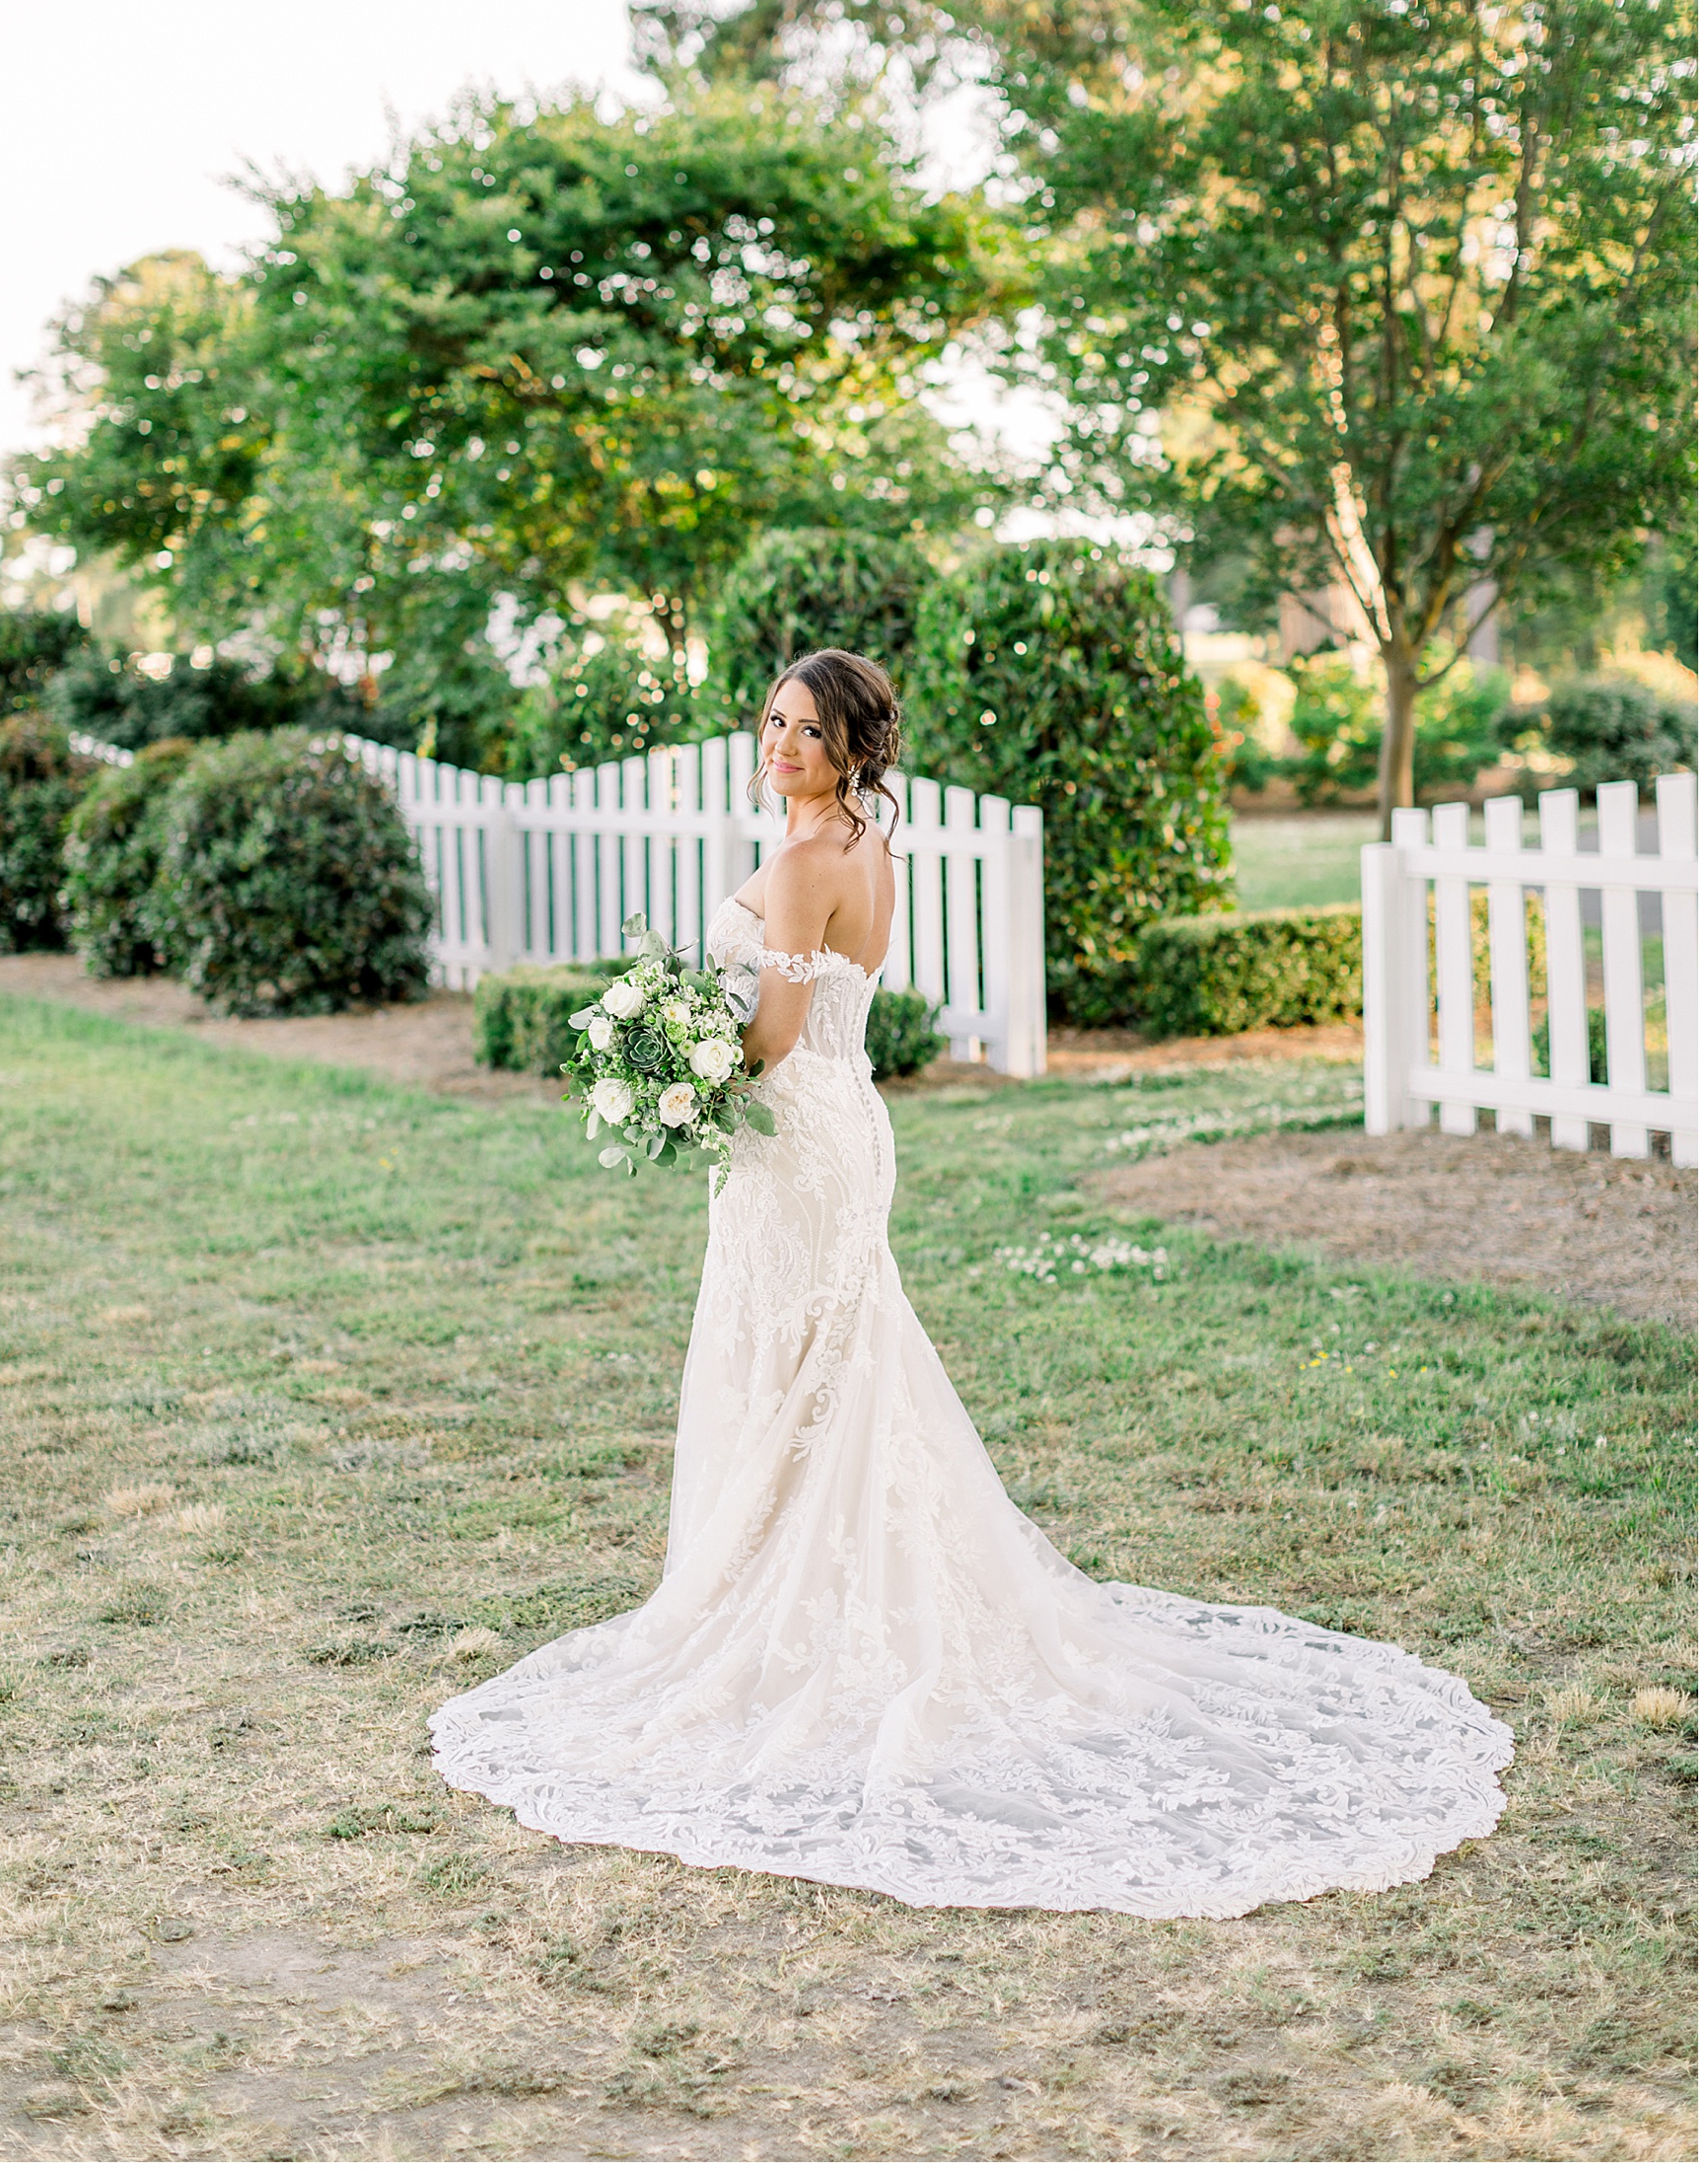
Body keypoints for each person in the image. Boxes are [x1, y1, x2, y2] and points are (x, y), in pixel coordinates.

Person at [431, 648, 1511, 1914]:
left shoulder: (803, 862)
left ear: (853, 747)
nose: (780, 744)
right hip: (839, 1124)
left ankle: (790, 1609)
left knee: (796, 1358)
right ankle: (814, 1579)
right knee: (834, 1364)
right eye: (773, 721)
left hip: (793, 1135)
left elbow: (772, 1036)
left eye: (808, 730)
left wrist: (665, 1064)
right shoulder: (867, 845)